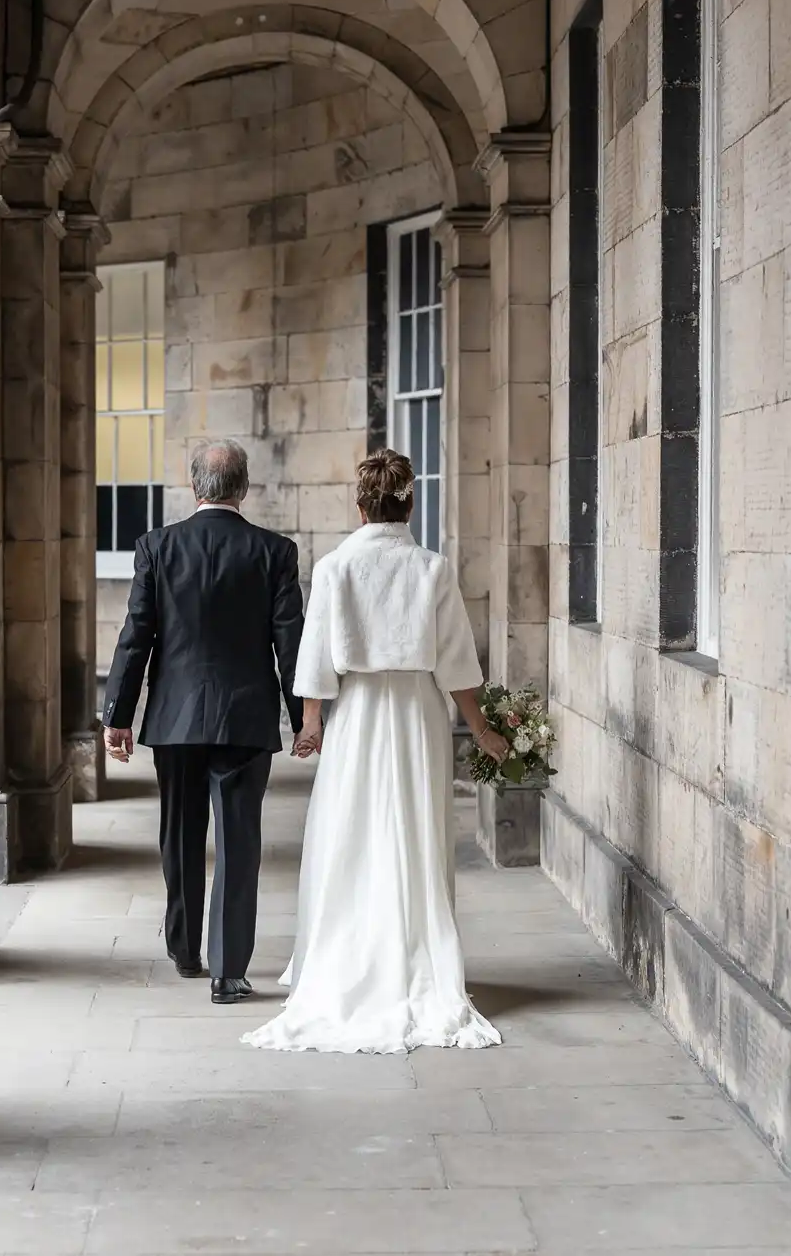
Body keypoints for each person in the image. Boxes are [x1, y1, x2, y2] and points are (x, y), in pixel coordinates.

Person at [243, 448, 509, 1054]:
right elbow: (457, 664)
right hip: (416, 713)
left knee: (351, 832)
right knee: (415, 833)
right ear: (408, 503)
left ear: (360, 504)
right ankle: (415, 954)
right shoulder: (432, 568)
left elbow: (313, 658)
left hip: (358, 715)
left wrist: (311, 724)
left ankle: (347, 955)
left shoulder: (337, 566)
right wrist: (484, 730)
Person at [100, 439, 305, 1005]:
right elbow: (291, 644)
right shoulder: (274, 552)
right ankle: (228, 971)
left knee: (181, 834)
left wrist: (117, 714)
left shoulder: (157, 547)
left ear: (195, 488)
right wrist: (304, 718)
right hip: (245, 718)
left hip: (175, 718)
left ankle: (186, 949)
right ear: (243, 488)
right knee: (240, 843)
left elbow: (135, 634)